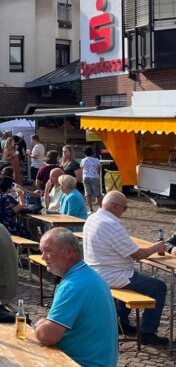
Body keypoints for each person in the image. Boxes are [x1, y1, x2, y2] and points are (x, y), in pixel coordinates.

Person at [84, 191, 168, 345]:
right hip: (112, 275)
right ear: (114, 206)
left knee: (133, 276)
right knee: (159, 287)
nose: (125, 211)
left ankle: (122, 321)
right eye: (125, 208)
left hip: (95, 272)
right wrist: (156, 246)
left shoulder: (92, 218)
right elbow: (138, 255)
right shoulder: (111, 224)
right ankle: (147, 332)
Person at [35, 228, 118, 366]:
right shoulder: (89, 274)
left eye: (48, 250)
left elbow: (48, 336)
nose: (43, 257)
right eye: (41, 251)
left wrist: (40, 324)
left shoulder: (73, 285)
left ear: (69, 253)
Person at [80, 146, 102, 212]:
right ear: (92, 152)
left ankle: (90, 209)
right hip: (94, 177)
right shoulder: (96, 160)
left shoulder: (83, 160)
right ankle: (101, 208)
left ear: (84, 153)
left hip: (85, 177)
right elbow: (98, 169)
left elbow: (82, 168)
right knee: (98, 193)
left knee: (87, 193)